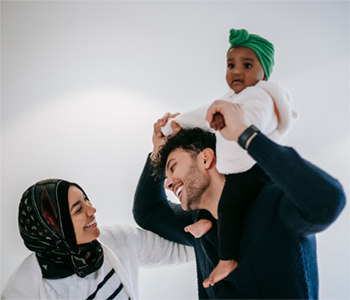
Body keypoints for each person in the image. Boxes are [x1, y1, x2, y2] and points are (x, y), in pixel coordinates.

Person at [133, 101, 346, 299]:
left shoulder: (273, 202)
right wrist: (157, 153)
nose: (167, 183)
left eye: (172, 167)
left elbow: (329, 201)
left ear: (206, 158)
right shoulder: (199, 223)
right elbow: (148, 210)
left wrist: (247, 136)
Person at [160, 28, 298, 286]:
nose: (237, 70)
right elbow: (204, 114)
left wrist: (234, 123)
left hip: (256, 167)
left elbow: (254, 120)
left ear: (264, 73)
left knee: (230, 204)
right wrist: (173, 125)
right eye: (231, 64)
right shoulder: (230, 98)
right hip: (237, 170)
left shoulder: (261, 97)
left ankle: (227, 259)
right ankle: (206, 222)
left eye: (247, 65)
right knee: (224, 200)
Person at [1, 179, 194, 299]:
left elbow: (183, 249)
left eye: (86, 200)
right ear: (53, 228)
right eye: (78, 209)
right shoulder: (22, 289)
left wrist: (212, 226)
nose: (92, 210)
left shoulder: (117, 239)